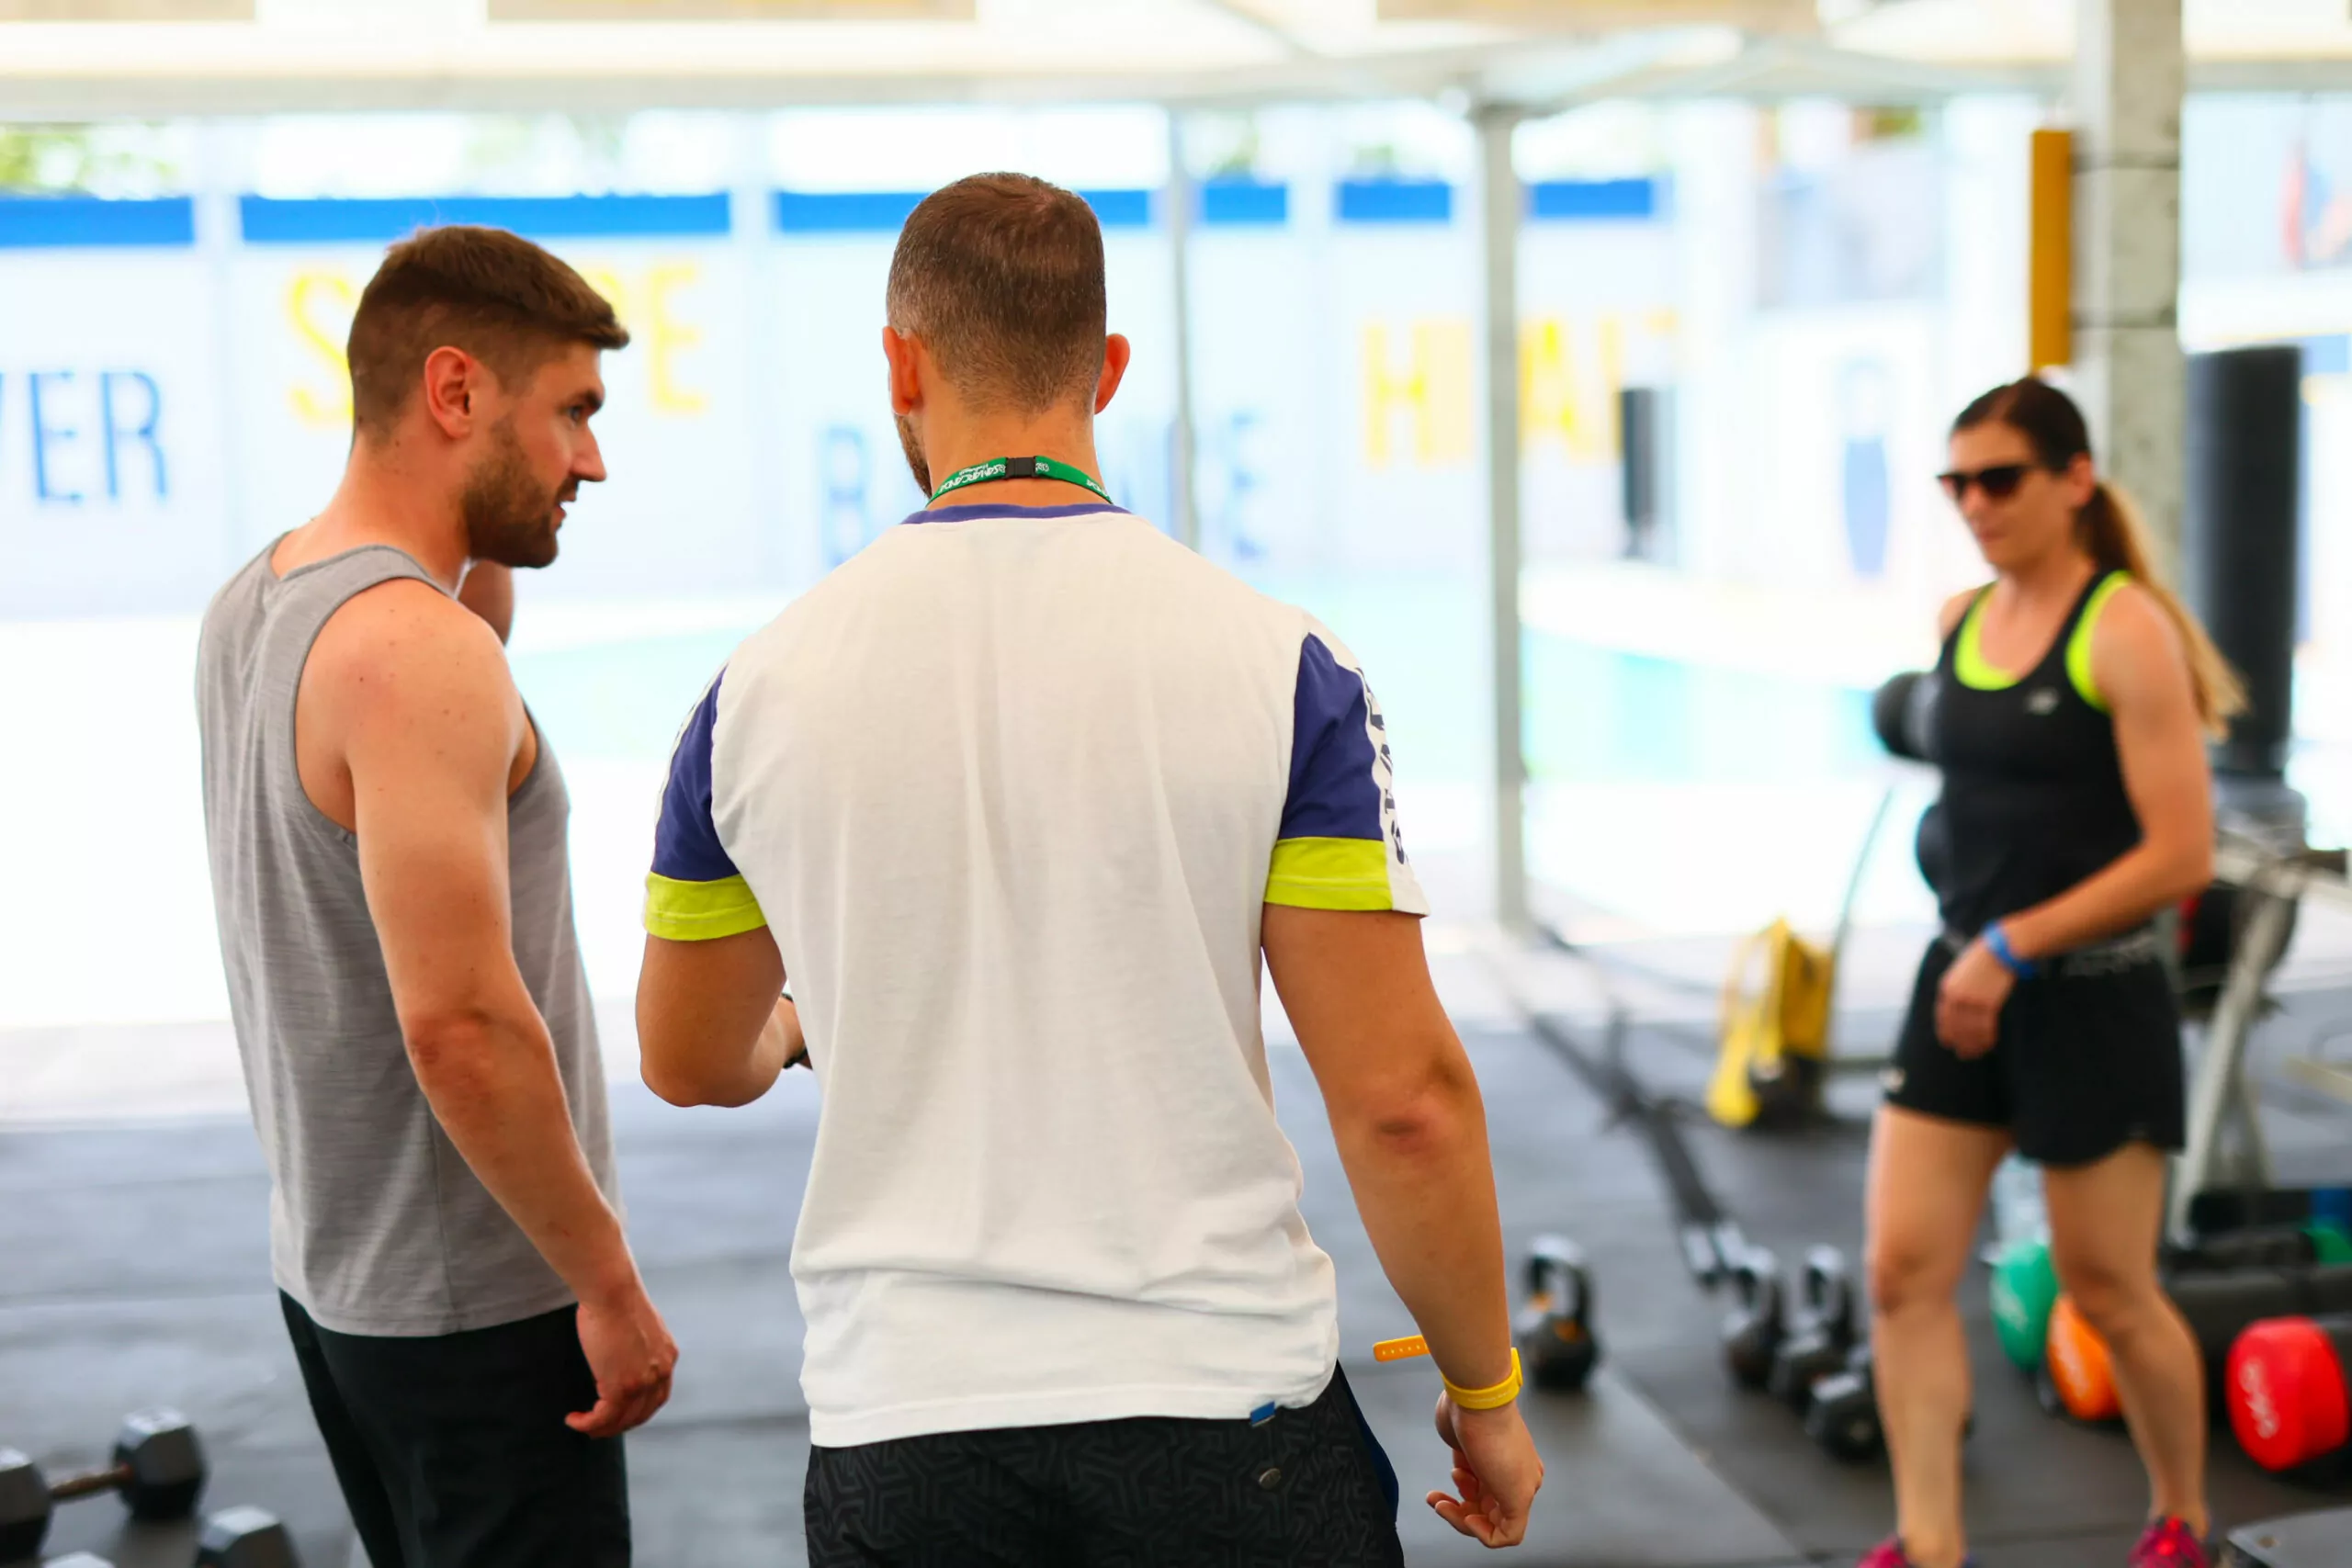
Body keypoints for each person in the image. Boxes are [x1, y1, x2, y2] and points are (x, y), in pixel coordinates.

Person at [633, 172, 1544, 1562]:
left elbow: (689, 1055)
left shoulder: (755, 691)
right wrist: (1484, 1387)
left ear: (901, 363)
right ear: (1108, 368)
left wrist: (803, 1028)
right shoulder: (1280, 665)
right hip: (1222, 1418)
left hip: (907, 1429)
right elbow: (1403, 1099)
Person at [196, 224, 675, 1568]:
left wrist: (487, 512)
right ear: (455, 393)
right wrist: (606, 1280)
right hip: (487, 1304)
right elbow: (460, 1026)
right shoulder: (418, 653)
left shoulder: (258, 603)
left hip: (342, 1285)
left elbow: (471, 620)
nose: (593, 457)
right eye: (573, 411)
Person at [1862, 378, 2244, 1568]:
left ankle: (2181, 1517)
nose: (1975, 503)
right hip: (1960, 983)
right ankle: (1929, 1543)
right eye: (1956, 482)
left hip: (2090, 995)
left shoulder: (2123, 628)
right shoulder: (1959, 619)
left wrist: (2014, 942)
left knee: (2107, 1287)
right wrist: (1978, 942)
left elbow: (2185, 852)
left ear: (2075, 479)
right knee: (1900, 1272)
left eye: (2000, 478)